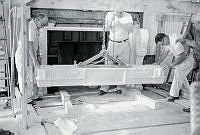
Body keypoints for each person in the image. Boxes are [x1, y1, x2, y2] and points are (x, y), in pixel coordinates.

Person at [98, 10, 138, 95]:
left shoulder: (127, 16)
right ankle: (104, 88)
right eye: (117, 11)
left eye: (121, 11)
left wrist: (121, 21)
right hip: (112, 43)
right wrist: (111, 19)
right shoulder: (109, 14)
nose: (119, 12)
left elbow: (131, 30)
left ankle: (120, 87)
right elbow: (106, 28)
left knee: (123, 66)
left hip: (124, 44)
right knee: (108, 66)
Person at [15, 13, 48, 102]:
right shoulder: (30, 27)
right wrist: (34, 60)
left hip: (29, 54)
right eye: (43, 24)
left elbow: (35, 44)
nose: (43, 27)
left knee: (31, 76)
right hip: (24, 55)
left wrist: (38, 56)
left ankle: (32, 96)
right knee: (25, 76)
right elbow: (29, 44)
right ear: (37, 20)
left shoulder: (36, 28)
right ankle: (26, 99)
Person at [154, 33, 194, 102]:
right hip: (181, 58)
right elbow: (165, 52)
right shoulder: (167, 42)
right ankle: (190, 93)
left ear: (165, 37)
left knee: (178, 73)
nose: (163, 45)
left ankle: (173, 95)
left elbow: (183, 56)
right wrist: (158, 62)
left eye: (163, 43)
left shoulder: (176, 42)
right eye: (162, 44)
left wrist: (171, 65)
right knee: (181, 76)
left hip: (188, 59)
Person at [176, 13, 200, 112]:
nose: (193, 26)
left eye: (194, 24)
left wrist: (185, 41)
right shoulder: (197, 31)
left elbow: (196, 44)